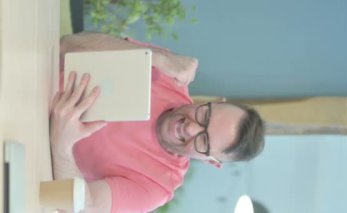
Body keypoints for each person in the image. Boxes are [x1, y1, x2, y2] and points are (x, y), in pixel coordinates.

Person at [50, 32, 265, 213]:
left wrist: (61, 146)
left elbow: (80, 207)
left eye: (204, 141)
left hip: (30, 146)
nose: (190, 127)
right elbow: (68, 44)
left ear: (210, 161)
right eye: (205, 116)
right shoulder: (166, 72)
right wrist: (156, 57)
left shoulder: (158, 184)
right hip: (31, 76)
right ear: (214, 102)